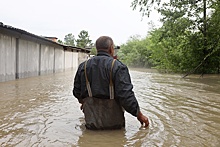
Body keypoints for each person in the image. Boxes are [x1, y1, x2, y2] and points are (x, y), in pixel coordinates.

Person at [73, 36, 149, 130]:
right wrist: (139, 114)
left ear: (97, 49)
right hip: (115, 126)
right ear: (111, 48)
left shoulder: (83, 67)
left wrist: (83, 102)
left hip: (91, 125)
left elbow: (76, 92)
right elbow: (126, 96)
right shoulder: (118, 67)